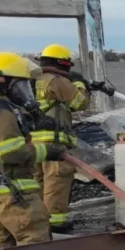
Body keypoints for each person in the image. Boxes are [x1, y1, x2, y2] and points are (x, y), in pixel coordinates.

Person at [0, 52, 66, 247]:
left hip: (2, 194)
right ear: (1, 82)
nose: (24, 91)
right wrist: (47, 151)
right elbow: (11, 152)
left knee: (3, 248)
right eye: (20, 85)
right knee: (35, 241)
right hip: (12, 192)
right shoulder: (2, 111)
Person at [31, 44, 91, 233]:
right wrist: (80, 84)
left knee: (37, 182)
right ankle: (56, 223)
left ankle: (37, 221)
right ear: (63, 63)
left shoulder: (31, 80)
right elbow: (80, 103)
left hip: (31, 142)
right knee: (57, 181)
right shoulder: (56, 80)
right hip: (53, 141)